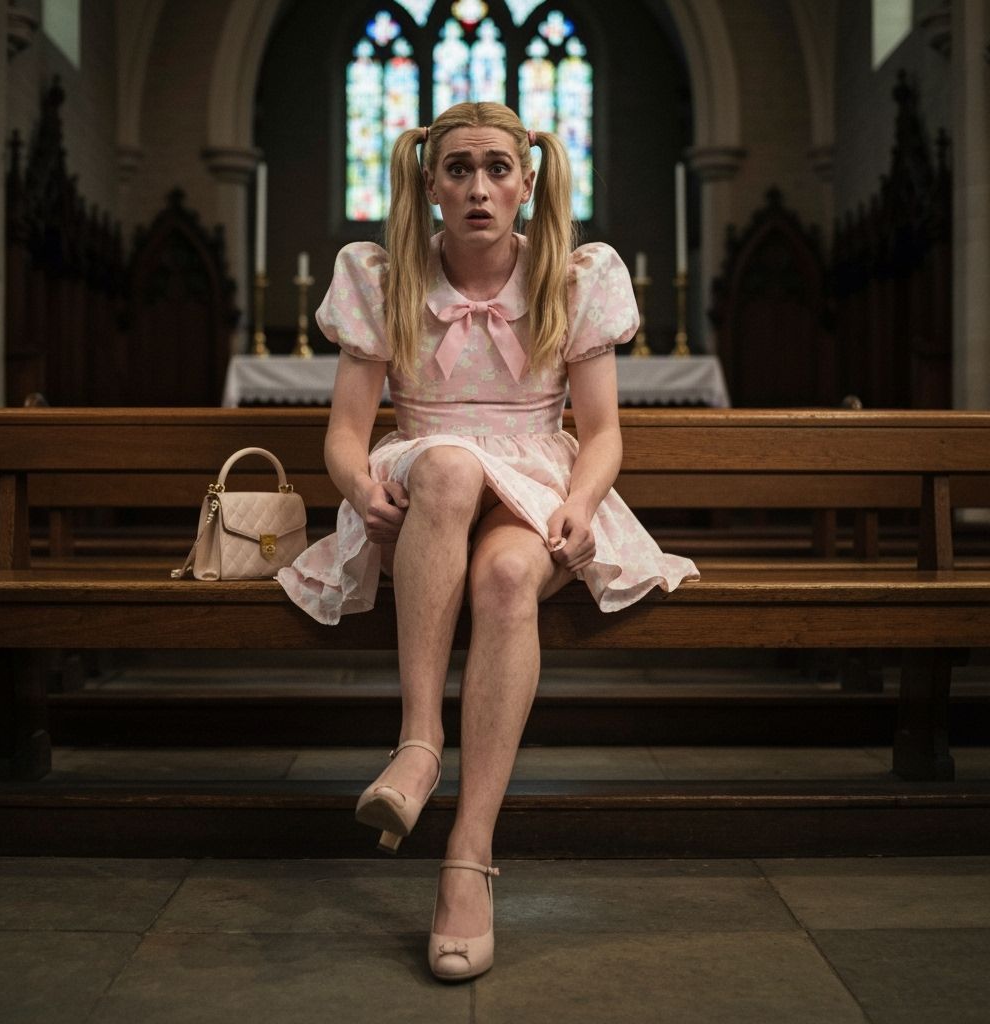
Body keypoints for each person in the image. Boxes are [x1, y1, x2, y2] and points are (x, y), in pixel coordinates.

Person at [278, 101, 698, 982]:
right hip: (422, 493)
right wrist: (360, 488)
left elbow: (605, 430)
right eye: (459, 169)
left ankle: (467, 859)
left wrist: (584, 501)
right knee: (449, 469)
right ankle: (420, 740)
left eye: (497, 169)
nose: (479, 187)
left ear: (527, 181)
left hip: (537, 484)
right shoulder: (382, 276)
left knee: (510, 577)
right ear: (430, 183)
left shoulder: (574, 278)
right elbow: (346, 439)